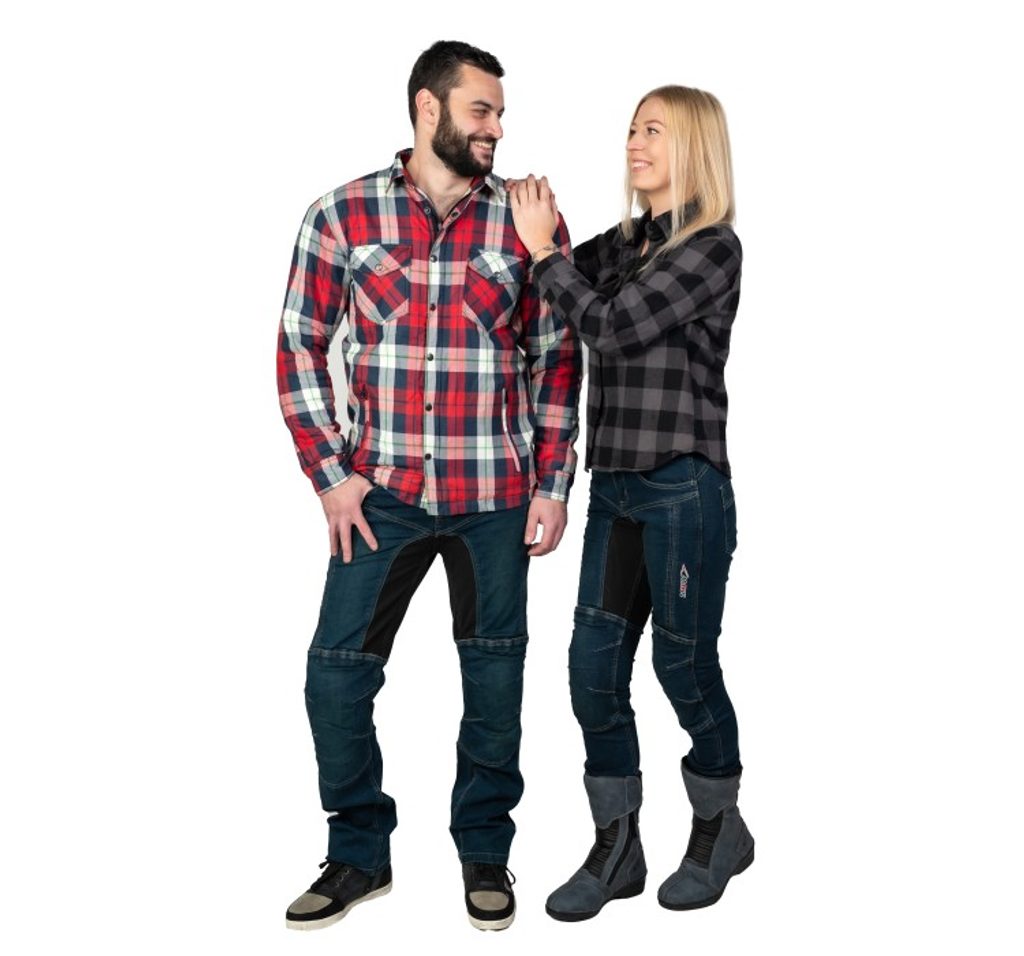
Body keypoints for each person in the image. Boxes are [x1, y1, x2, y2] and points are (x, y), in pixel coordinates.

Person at [276, 40, 580, 932]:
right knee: (335, 678)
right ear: (428, 108)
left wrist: (553, 482)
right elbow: (299, 346)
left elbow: (556, 358)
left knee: (494, 681)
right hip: (383, 495)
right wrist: (331, 475)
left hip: (495, 496)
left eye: (501, 114)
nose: (497, 129)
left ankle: (484, 850)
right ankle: (359, 852)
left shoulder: (528, 220)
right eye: (482, 111)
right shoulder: (342, 213)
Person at [509, 85, 752, 920]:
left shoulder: (712, 248)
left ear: (693, 147)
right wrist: (522, 226)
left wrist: (543, 256)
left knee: (683, 667)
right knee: (592, 674)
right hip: (613, 490)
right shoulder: (627, 242)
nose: (634, 142)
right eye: (632, 128)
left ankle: (720, 829)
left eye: (654, 130)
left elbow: (607, 325)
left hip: (684, 489)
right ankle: (617, 850)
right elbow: (548, 278)